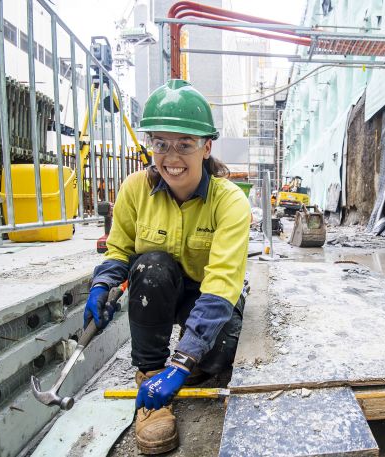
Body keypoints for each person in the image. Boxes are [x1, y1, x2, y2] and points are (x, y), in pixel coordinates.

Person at [83, 79, 250, 454]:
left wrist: (186, 359)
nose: (171, 157)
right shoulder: (134, 189)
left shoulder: (230, 202)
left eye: (185, 145)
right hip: (159, 289)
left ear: (207, 147)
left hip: (207, 297)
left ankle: (178, 367)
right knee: (152, 266)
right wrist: (102, 285)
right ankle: (150, 374)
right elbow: (119, 249)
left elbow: (222, 284)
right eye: (161, 144)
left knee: (222, 351)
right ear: (151, 145)